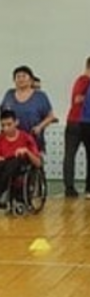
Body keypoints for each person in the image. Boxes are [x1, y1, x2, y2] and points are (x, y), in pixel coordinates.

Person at [63, 57, 90, 198]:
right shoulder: (84, 81)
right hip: (79, 121)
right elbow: (77, 99)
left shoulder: (81, 81)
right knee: (70, 155)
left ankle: (74, 187)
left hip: (76, 121)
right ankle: (70, 187)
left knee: (70, 155)